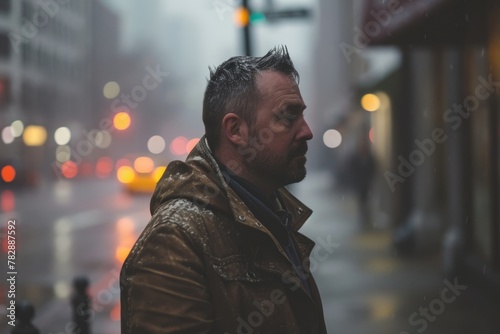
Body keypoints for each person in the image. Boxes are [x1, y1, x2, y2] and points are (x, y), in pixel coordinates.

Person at [120, 46, 327, 333]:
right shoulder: (175, 239)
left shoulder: (275, 214)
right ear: (236, 131)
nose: (307, 131)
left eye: (301, 115)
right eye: (289, 116)